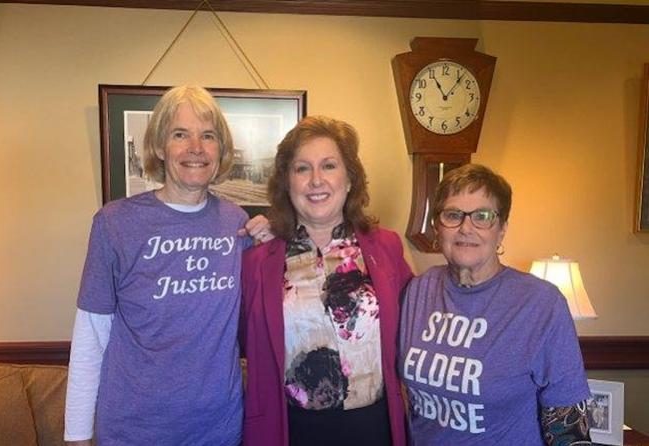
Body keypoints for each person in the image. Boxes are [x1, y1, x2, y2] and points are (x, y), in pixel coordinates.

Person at [64, 85, 271, 445]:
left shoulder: (235, 221)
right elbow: (90, 335)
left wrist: (273, 242)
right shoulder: (115, 224)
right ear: (160, 146)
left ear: (220, 149)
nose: (196, 148)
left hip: (218, 428)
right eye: (180, 134)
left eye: (208, 136)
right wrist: (77, 434)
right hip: (134, 430)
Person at [239, 116, 413, 446]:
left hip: (373, 428)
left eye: (329, 166)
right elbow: (242, 340)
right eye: (302, 169)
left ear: (349, 180)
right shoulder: (256, 261)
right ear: (287, 184)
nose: (316, 180)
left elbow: (417, 324)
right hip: (289, 429)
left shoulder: (386, 247)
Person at [399, 163, 591, 446]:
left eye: (483, 216)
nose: (466, 228)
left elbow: (569, 428)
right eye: (453, 215)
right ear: (437, 227)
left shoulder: (542, 304)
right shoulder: (418, 290)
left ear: (502, 230)